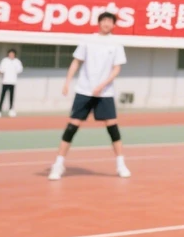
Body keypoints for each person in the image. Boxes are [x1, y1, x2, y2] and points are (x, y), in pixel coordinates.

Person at [47, 12, 131, 181]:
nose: (107, 24)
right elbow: (76, 61)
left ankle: (121, 164)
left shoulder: (116, 44)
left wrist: (102, 85)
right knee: (72, 126)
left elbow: (116, 69)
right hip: (84, 90)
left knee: (112, 127)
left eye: (110, 21)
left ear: (114, 25)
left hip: (105, 93)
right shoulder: (87, 40)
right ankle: (58, 164)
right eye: (104, 20)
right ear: (99, 22)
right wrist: (67, 81)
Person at [0, 49, 23, 118]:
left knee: (11, 97)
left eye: (12, 54)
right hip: (5, 81)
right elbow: (1, 69)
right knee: (2, 96)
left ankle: (11, 110)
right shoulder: (4, 61)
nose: (11, 55)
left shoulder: (17, 61)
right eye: (10, 54)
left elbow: (20, 69)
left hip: (13, 82)